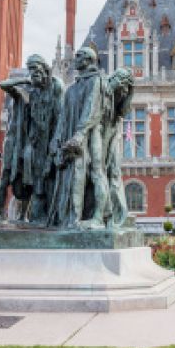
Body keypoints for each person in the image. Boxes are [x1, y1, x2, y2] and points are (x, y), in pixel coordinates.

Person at [0, 55, 64, 223]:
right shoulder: (31, 89)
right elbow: (2, 85)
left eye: (35, 68)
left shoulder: (56, 85)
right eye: (30, 69)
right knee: (31, 177)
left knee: (46, 178)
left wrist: (54, 145)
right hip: (33, 141)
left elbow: (60, 118)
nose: (33, 72)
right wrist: (25, 80)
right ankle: (30, 213)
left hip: (50, 140)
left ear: (44, 68)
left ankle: (45, 214)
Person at [48, 47, 106, 229]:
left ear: (89, 60)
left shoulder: (95, 81)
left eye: (80, 56)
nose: (76, 58)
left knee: (93, 174)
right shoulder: (72, 88)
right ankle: (70, 218)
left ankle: (96, 217)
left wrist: (80, 134)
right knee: (70, 177)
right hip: (70, 137)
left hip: (88, 135)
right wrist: (56, 139)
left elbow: (91, 109)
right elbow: (63, 117)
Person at [101, 67, 134, 227]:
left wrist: (130, 91)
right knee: (104, 175)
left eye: (127, 87)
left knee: (114, 174)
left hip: (110, 140)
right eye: (122, 86)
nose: (124, 91)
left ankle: (117, 214)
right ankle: (107, 214)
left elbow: (124, 110)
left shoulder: (118, 98)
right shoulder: (102, 94)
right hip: (99, 141)